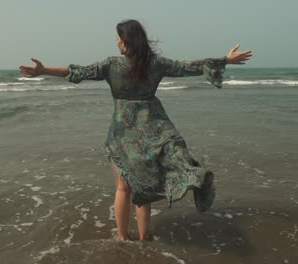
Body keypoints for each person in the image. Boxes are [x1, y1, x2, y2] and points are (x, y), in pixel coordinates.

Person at [19, 19, 252, 241]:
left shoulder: (111, 64)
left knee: (123, 187)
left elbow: (78, 71)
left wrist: (44, 70)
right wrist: (226, 60)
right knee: (143, 185)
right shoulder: (157, 64)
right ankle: (143, 238)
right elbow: (190, 67)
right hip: (153, 130)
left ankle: (122, 237)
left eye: (119, 39)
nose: (117, 43)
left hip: (123, 133)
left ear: (127, 41)